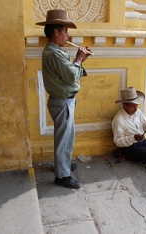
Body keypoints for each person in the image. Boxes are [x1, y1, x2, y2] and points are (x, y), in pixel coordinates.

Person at [37, 9, 92, 188]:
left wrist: (79, 61)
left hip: (63, 101)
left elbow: (69, 74)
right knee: (64, 138)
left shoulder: (55, 52)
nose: (67, 36)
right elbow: (70, 75)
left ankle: (64, 164)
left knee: (66, 137)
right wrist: (79, 60)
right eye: (66, 31)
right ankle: (62, 176)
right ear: (56, 32)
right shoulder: (53, 53)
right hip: (62, 102)